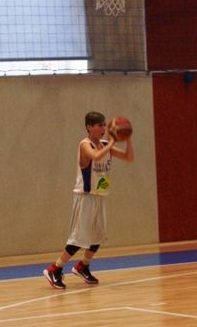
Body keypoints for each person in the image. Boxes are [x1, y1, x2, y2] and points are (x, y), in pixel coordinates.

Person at [43, 111, 134, 289]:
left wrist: (128, 138)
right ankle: (55, 269)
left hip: (99, 196)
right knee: (79, 238)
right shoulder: (84, 144)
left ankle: (83, 266)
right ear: (89, 127)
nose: (103, 128)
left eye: (104, 125)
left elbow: (128, 157)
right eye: (100, 125)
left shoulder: (106, 144)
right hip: (84, 197)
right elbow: (96, 156)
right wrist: (113, 142)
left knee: (98, 237)